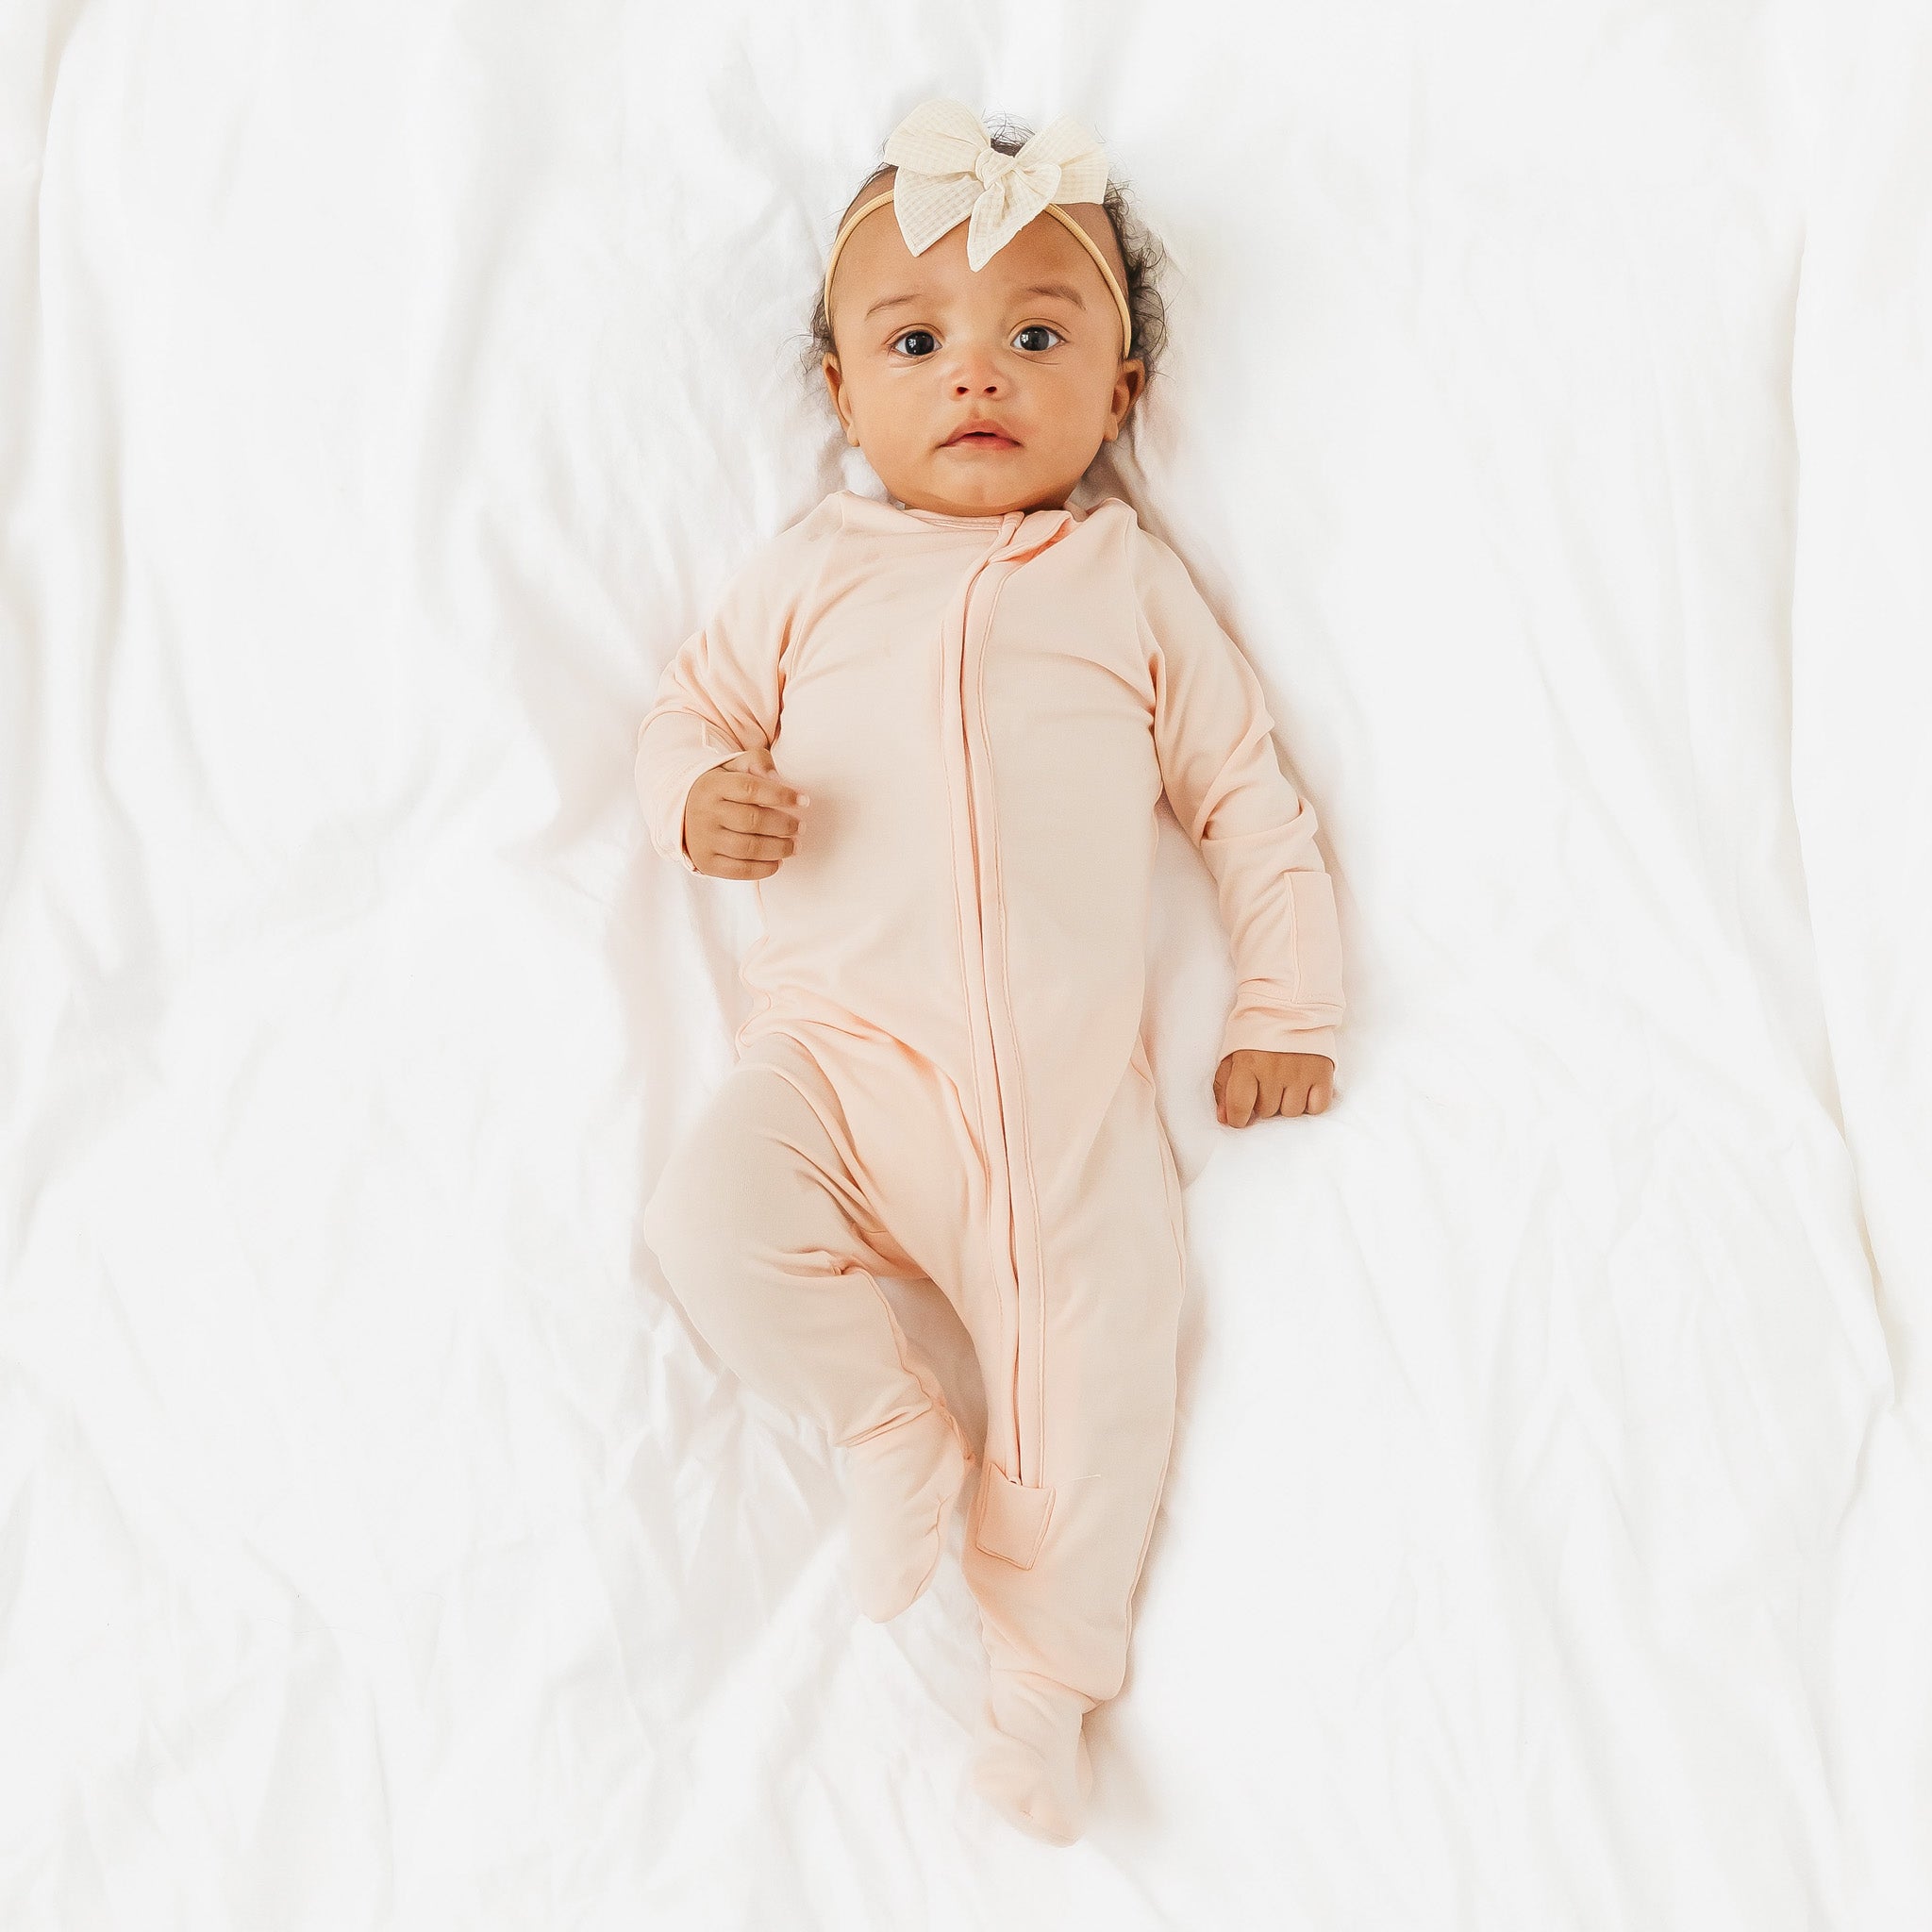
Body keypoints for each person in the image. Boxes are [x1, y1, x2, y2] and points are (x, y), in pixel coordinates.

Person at [636, 97, 1346, 1846]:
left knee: (1104, 1383)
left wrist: (1285, 999)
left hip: (1053, 1106)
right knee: (707, 1223)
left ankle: (1043, 1691)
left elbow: (1248, 798)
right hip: (837, 1064)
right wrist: (701, 801)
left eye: (1038, 337)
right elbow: (689, 715)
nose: (976, 373)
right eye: (917, 342)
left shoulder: (1129, 584)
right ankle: (884, 1421)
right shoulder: (811, 572)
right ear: (839, 392)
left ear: (1120, 395)